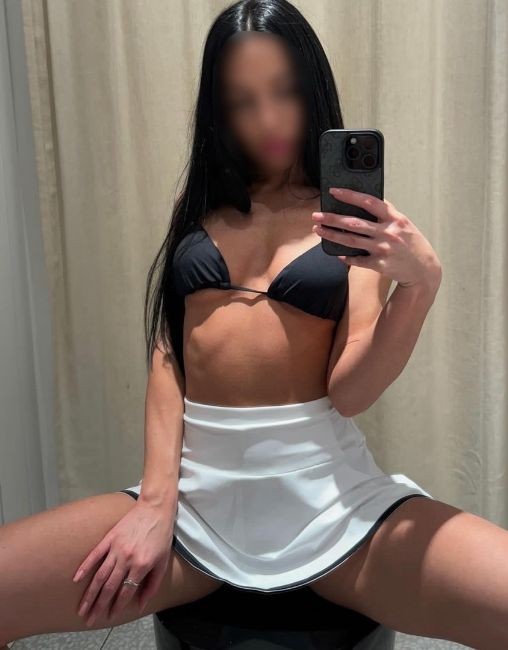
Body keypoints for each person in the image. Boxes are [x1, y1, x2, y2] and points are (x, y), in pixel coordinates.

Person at [2, 1, 508, 647]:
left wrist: (419, 286)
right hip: (194, 506)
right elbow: (169, 354)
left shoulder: (353, 221)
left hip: (331, 506)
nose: (268, 119)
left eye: (284, 92)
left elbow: (351, 391)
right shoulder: (200, 208)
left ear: (312, 88)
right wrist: (156, 501)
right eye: (243, 101)